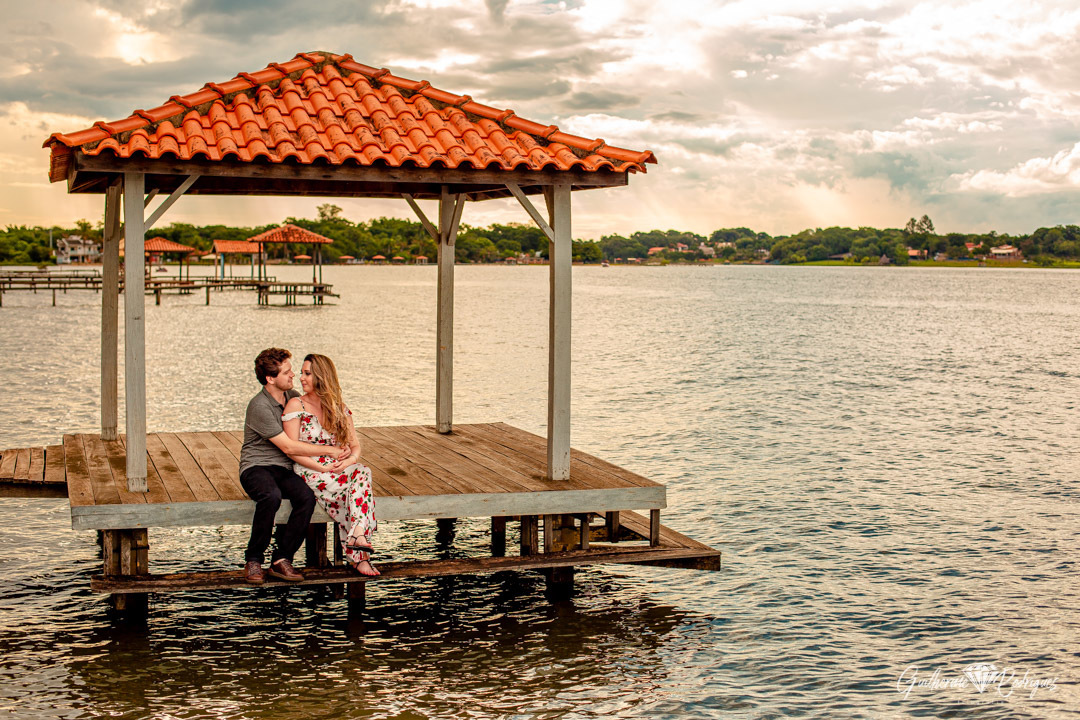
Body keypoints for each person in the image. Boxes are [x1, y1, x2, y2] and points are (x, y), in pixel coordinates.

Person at [239, 348, 351, 584]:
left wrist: (343, 445)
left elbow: (316, 424)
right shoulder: (259, 406)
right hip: (256, 467)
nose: (294, 375)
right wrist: (329, 451)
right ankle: (254, 559)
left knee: (306, 498)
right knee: (271, 496)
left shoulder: (293, 396)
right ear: (270, 378)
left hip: (284, 468)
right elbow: (289, 447)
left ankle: (281, 559)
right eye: (287, 372)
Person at [282, 354, 379, 577]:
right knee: (359, 489)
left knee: (362, 472)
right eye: (302, 372)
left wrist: (349, 459)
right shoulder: (296, 405)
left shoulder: (339, 408)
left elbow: (355, 446)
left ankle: (357, 534)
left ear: (321, 377)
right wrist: (323, 468)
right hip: (311, 469)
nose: (301, 377)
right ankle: (359, 552)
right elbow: (292, 449)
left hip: (339, 468)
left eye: (307, 373)